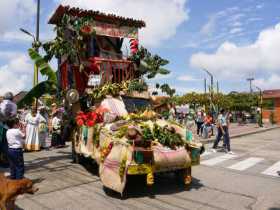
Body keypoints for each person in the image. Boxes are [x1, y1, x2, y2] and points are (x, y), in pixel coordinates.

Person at [0, 92, 17, 167]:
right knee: (7, 144)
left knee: (2, 144)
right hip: (8, 126)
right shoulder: (14, 105)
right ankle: (7, 161)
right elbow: (13, 115)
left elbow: (2, 113)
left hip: (1, 126)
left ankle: (3, 161)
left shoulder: (1, 103)